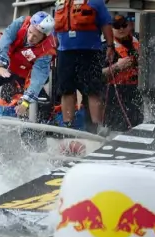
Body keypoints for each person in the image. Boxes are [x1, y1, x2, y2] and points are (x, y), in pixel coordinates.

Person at [54, 0, 114, 135]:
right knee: (66, 89)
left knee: (93, 89)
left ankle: (97, 126)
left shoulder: (96, 2)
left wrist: (110, 46)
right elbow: (55, 29)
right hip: (64, 52)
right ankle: (68, 126)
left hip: (90, 51)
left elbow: (106, 24)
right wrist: (53, 48)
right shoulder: (59, 2)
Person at [102, 15, 144, 132]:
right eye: (116, 26)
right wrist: (117, 67)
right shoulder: (105, 47)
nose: (121, 29)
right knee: (118, 126)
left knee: (138, 123)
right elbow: (98, 75)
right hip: (115, 94)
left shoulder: (140, 42)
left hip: (137, 90)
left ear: (129, 26)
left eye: (124, 25)